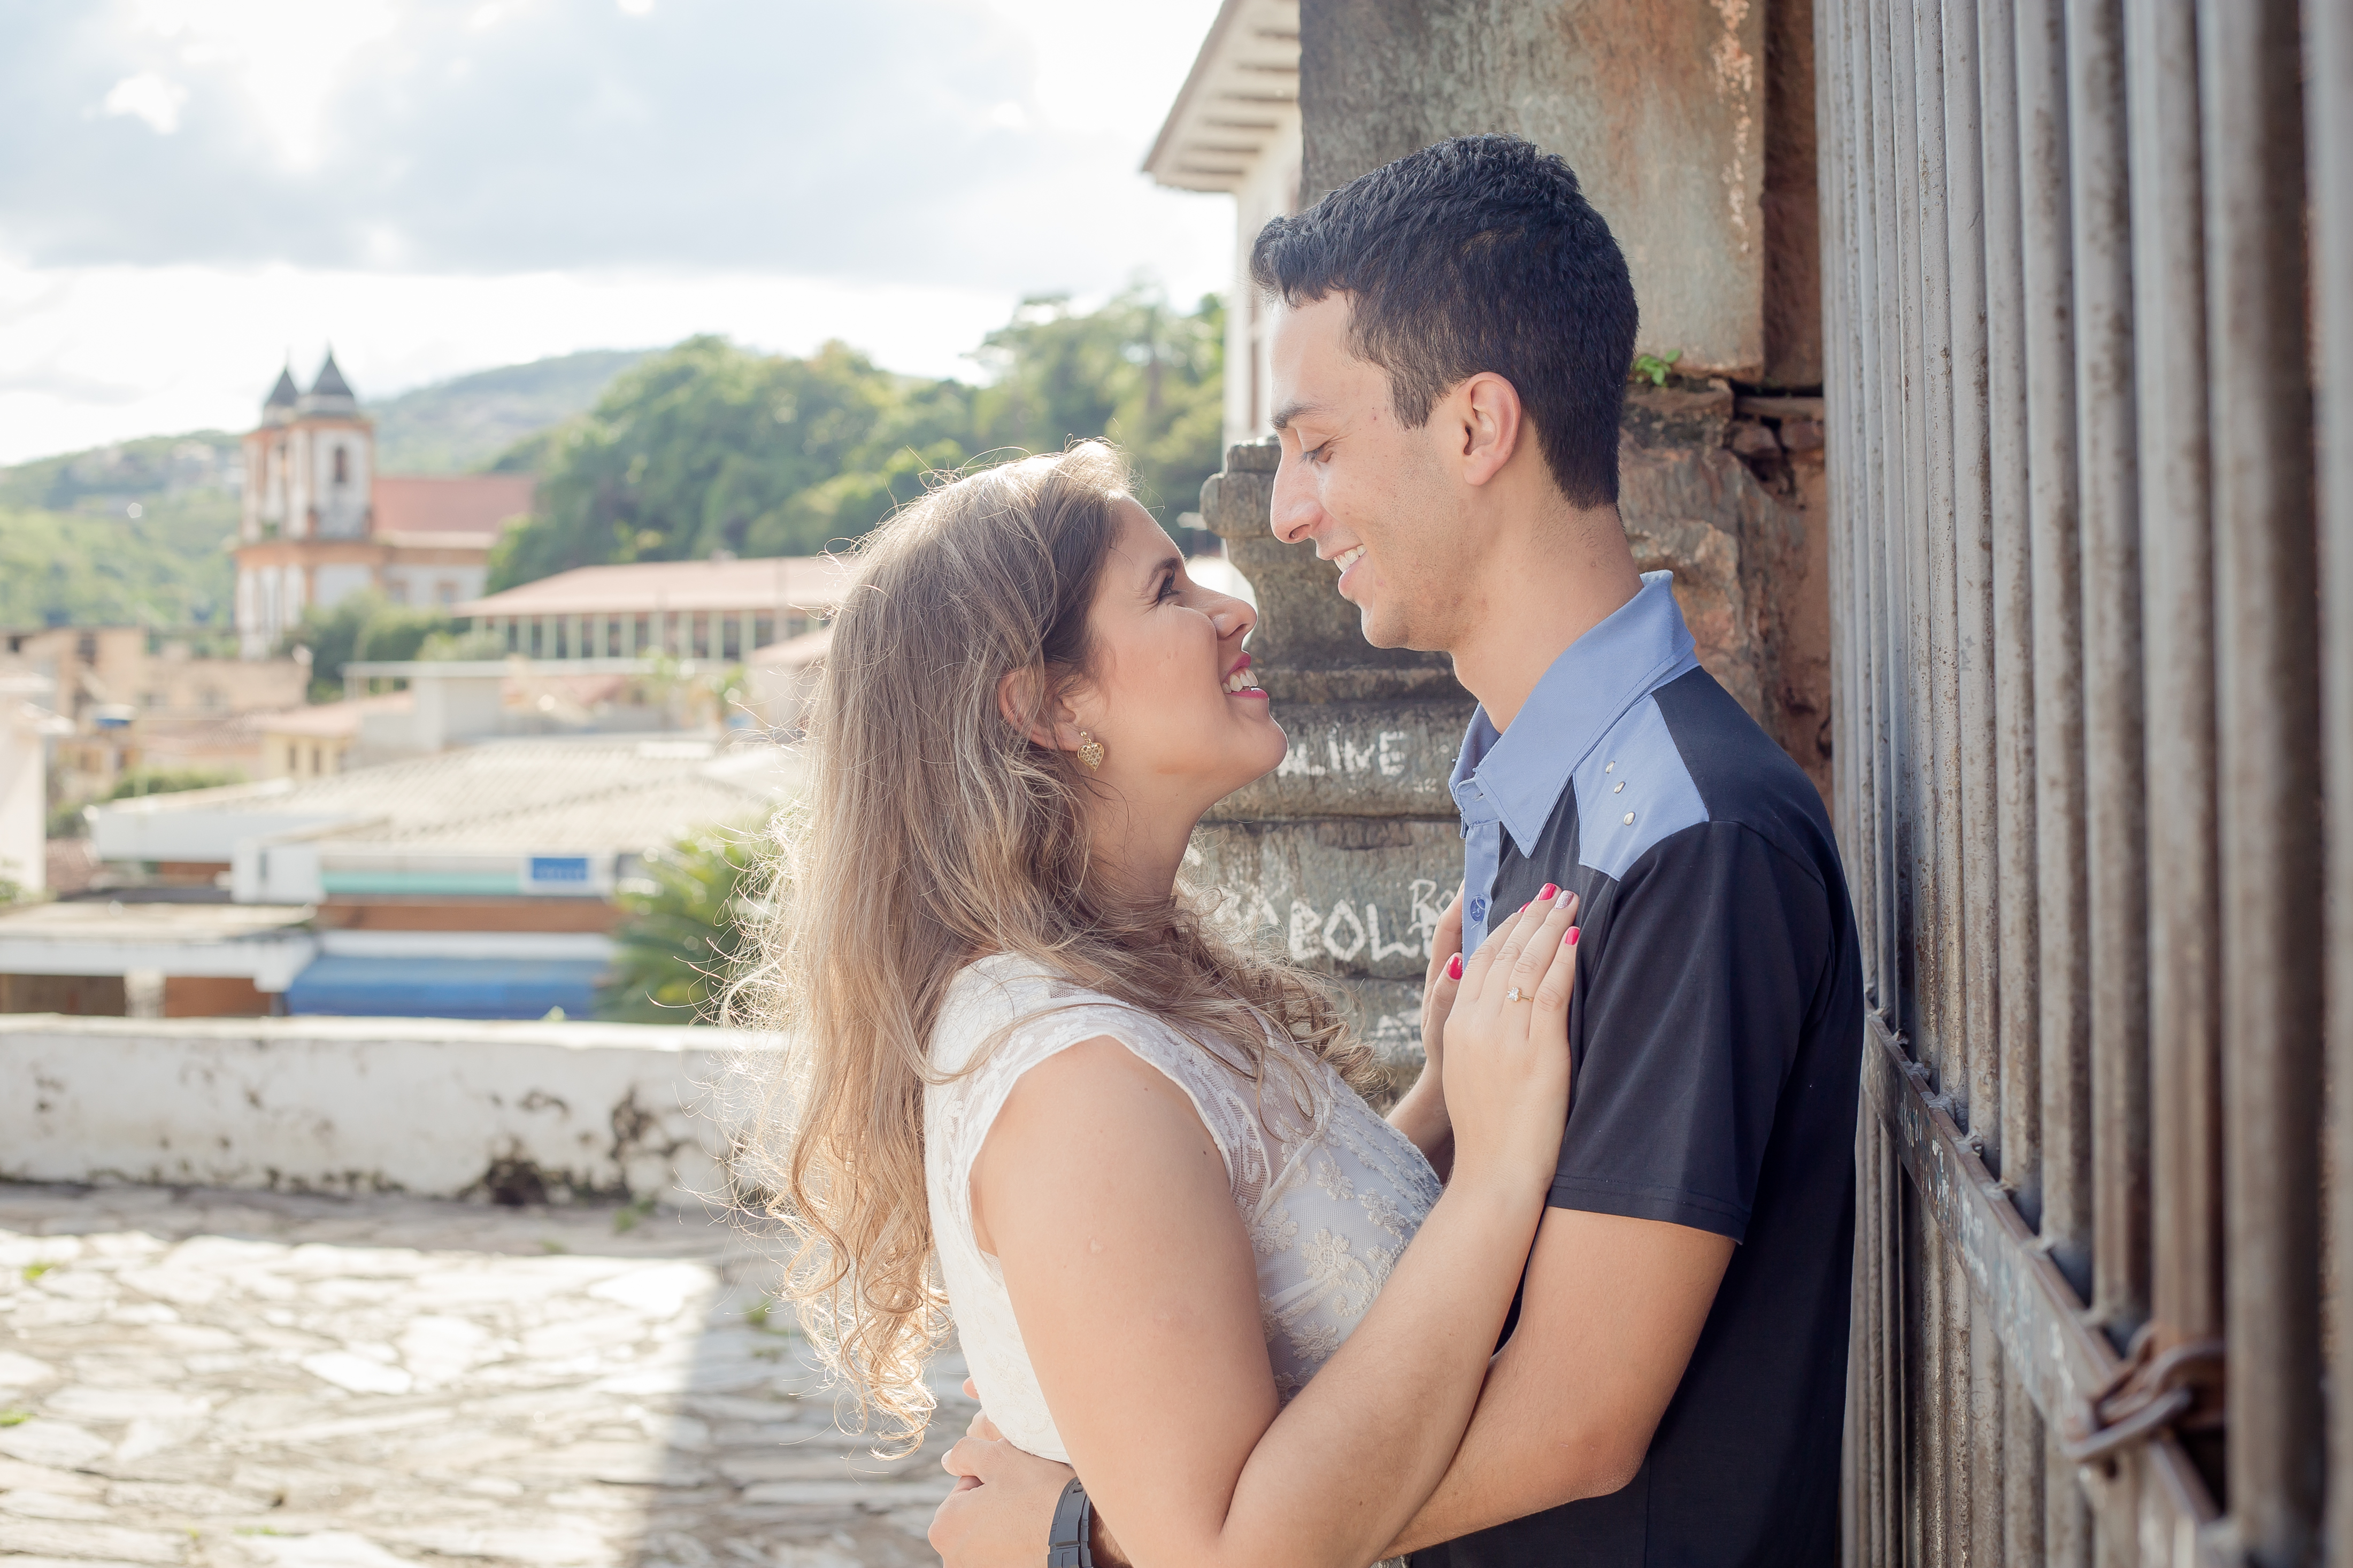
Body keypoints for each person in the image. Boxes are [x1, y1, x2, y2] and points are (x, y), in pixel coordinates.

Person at [932, 135, 1863, 1566]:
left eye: (1317, 445)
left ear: (1477, 427)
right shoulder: (1540, 791)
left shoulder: (1690, 833)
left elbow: (1576, 1417)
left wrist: (1126, 1542)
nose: (1288, 516)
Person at [749, 436, 1588, 1568]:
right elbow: (1223, 1554)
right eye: (1167, 590)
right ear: (1048, 707)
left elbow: (1289, 1273)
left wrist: (1446, 1099)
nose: (1231, 610)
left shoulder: (1126, 991)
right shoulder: (1072, 1082)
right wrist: (1496, 1179)